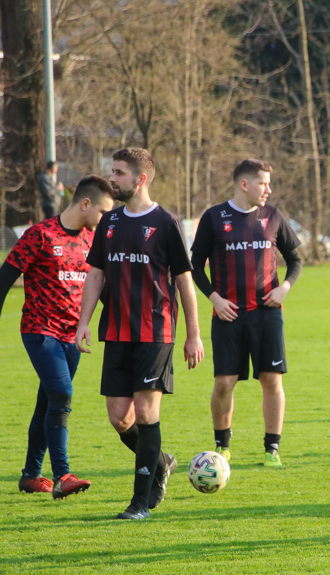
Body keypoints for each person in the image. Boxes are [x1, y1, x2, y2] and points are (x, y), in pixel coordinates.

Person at [76, 147, 204, 519]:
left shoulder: (166, 222)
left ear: (140, 178)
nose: (112, 179)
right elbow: (96, 275)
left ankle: (140, 503)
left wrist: (193, 335)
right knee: (119, 416)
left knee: (147, 411)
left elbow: (184, 281)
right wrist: (84, 322)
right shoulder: (110, 223)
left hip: (156, 331)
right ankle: (161, 461)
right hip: (116, 331)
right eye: (112, 172)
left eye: (118, 173)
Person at [0, 176, 115, 498]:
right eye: (102, 212)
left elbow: (102, 290)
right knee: (62, 394)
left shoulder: (91, 242)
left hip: (73, 336)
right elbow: (1, 281)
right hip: (41, 331)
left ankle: (30, 475)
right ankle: (63, 474)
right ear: (85, 204)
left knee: (48, 402)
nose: (105, 220)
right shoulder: (40, 235)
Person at [190, 159, 302, 466]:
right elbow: (195, 266)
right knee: (225, 383)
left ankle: (272, 449)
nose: (268, 189)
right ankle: (222, 445)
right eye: (263, 183)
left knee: (271, 380)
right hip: (228, 315)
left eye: (268, 183)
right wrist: (214, 298)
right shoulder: (214, 217)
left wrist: (285, 288)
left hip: (267, 314)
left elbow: (295, 260)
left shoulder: (273, 216)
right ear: (244, 184)